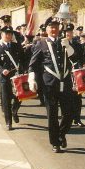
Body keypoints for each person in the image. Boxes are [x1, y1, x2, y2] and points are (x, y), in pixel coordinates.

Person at [28, 17, 75, 153]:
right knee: (52, 115)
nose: (54, 29)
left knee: (69, 113)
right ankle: (55, 142)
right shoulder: (41, 43)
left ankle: (61, 134)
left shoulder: (65, 42)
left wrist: (69, 46)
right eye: (51, 27)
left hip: (65, 82)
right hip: (49, 84)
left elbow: (75, 58)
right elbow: (33, 64)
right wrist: (32, 79)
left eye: (56, 27)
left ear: (59, 28)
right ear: (46, 29)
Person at [0, 26, 24, 130]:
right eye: (6, 33)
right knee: (6, 100)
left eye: (10, 34)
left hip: (16, 76)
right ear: (2, 35)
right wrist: (1, 70)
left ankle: (14, 110)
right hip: (4, 77)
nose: (8, 35)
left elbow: (23, 59)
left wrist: (23, 70)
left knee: (20, 96)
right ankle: (8, 122)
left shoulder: (16, 46)